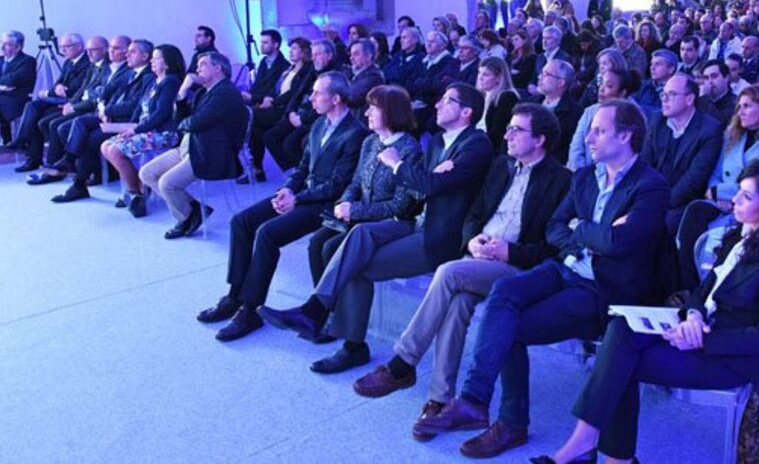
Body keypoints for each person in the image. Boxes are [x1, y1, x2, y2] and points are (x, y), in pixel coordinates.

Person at [414, 99, 670, 459]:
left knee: (510, 327)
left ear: (626, 136)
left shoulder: (651, 186)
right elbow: (555, 227)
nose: (589, 139)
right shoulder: (585, 177)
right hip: (567, 267)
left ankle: (511, 424)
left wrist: (580, 227)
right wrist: (588, 234)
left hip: (603, 289)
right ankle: (473, 400)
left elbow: (619, 243)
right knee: (504, 293)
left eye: (599, 131)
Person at [533, 158, 759, 464]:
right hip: (698, 328)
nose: (735, 200)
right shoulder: (738, 235)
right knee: (620, 329)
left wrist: (701, 339)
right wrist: (694, 315)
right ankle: (599, 451)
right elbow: (703, 293)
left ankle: (593, 450)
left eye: (746, 196)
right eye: (738, 192)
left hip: (731, 356)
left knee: (619, 361)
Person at [350, 104, 571, 442]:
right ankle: (439, 402)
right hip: (478, 257)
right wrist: (472, 241)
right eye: (508, 128)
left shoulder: (561, 180)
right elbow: (474, 214)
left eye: (516, 130)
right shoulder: (501, 165)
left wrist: (510, 251)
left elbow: (554, 245)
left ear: (540, 139)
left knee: (448, 273)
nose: (507, 135)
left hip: (517, 268)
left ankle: (402, 363)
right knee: (457, 305)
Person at [260, 83, 493, 372]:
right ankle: (317, 311)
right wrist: (428, 178)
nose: (437, 104)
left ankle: (348, 343)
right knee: (358, 236)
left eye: (447, 100)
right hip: (416, 222)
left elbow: (428, 187)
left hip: (439, 235)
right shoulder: (435, 142)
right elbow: (422, 188)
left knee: (355, 264)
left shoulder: (476, 144)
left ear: (467, 112)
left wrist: (400, 167)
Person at [195, 72, 368, 341]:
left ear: (336, 99)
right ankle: (234, 295)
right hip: (303, 194)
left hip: (325, 204)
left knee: (267, 234)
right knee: (241, 221)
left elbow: (336, 186)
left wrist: (297, 199)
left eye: (317, 93)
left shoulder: (356, 133)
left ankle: (250, 309)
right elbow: (302, 168)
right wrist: (287, 189)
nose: (311, 98)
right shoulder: (319, 125)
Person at [300, 84, 422, 294]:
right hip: (357, 216)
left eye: (373, 108)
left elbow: (401, 206)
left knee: (330, 248)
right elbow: (356, 182)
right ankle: (323, 305)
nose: (367, 113)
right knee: (315, 244)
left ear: (391, 112)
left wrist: (354, 210)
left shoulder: (410, 149)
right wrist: (345, 203)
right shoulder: (370, 141)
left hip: (383, 223)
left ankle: (330, 304)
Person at [677, 85, 759, 291]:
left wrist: (721, 192)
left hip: (757, 207)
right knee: (692, 215)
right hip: (723, 203)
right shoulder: (732, 135)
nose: (740, 111)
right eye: (739, 106)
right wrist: (714, 192)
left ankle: (704, 289)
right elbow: (717, 171)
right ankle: (689, 288)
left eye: (747, 106)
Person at [139, 52, 249, 239]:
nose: (197, 68)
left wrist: (185, 124)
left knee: (167, 184)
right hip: (192, 146)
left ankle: (184, 219)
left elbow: (196, 122)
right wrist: (183, 90)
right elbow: (179, 120)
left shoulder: (226, 92)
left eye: (203, 64)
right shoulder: (203, 92)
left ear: (218, 68)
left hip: (212, 152)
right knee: (147, 173)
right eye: (198, 64)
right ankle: (194, 210)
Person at [48, 40, 157, 204]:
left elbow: (134, 106)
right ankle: (71, 164)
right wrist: (103, 108)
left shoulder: (148, 76)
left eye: (132, 52)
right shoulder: (130, 72)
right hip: (109, 115)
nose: (127, 54)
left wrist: (107, 111)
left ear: (145, 56)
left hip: (125, 121)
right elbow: (107, 92)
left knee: (89, 138)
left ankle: (78, 181)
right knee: (78, 123)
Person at [98, 45, 186, 217]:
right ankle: (136, 190)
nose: (152, 61)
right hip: (147, 129)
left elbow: (162, 114)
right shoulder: (154, 81)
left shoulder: (171, 82)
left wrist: (136, 129)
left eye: (156, 58)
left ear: (167, 63)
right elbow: (140, 108)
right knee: (105, 146)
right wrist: (129, 126)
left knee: (115, 150)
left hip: (164, 133)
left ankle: (135, 193)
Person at [642, 74, 724, 233]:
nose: (664, 99)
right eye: (663, 94)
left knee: (662, 224)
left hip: (683, 200)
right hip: (652, 192)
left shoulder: (710, 129)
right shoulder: (656, 120)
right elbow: (645, 163)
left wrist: (662, 203)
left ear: (689, 99)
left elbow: (695, 178)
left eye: (671, 94)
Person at [6, 33, 90, 171]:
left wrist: (56, 90)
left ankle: (23, 141)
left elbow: (76, 89)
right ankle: (33, 159)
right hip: (60, 98)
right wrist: (58, 87)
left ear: (79, 46)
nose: (62, 50)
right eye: (61, 47)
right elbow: (58, 83)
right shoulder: (68, 62)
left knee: (37, 114)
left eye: (66, 47)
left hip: (71, 101)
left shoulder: (87, 63)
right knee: (32, 111)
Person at [241, 37, 313, 184]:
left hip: (285, 108)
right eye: (290, 48)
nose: (291, 51)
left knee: (253, 118)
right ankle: (258, 169)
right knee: (256, 129)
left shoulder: (306, 70)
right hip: (277, 105)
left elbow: (293, 93)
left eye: (294, 48)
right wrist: (267, 98)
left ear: (304, 52)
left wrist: (272, 102)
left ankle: (293, 172)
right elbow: (277, 88)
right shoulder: (290, 69)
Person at [262, 40, 334, 172]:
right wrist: (291, 113)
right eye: (313, 55)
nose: (314, 58)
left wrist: (302, 119)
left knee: (290, 143)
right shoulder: (313, 70)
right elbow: (297, 93)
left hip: (314, 118)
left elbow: (323, 105)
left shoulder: (332, 75)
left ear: (329, 55)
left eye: (318, 54)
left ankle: (303, 174)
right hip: (298, 114)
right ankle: (292, 173)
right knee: (270, 136)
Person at [568, 68, 639, 171]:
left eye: (609, 86)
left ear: (623, 92)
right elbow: (576, 147)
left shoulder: (635, 116)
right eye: (601, 84)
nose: (601, 89)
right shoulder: (590, 111)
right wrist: (581, 174)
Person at [530, 59, 583, 164]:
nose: (540, 77)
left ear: (560, 82)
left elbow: (566, 151)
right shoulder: (529, 103)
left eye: (546, 74)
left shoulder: (575, 113)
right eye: (541, 73)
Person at [475, 56, 519, 153]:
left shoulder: (507, 97)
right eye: (479, 73)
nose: (480, 78)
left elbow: (497, 133)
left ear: (499, 78)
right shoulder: (482, 95)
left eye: (486, 75)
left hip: (489, 147)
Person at [700, 59, 737, 124]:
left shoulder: (736, 103)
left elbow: (719, 124)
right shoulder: (700, 101)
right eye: (706, 78)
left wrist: (706, 100)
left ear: (726, 78)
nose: (710, 81)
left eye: (714, 76)